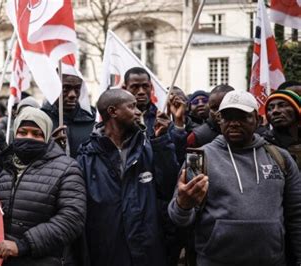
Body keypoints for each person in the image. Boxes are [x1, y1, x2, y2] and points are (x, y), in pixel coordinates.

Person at [168, 90, 301, 265]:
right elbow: (179, 218)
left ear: (258, 119)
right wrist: (182, 205)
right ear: (219, 120)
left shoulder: (280, 157)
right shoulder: (198, 159)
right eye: (227, 117)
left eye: (242, 117)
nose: (234, 123)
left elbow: (297, 214)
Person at [77, 89, 179, 265]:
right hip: (106, 254)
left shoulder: (148, 147)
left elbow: (169, 186)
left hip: (148, 252)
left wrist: (161, 141)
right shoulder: (86, 158)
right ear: (113, 111)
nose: (139, 112)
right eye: (132, 107)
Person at [0, 106, 86, 265]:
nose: (29, 137)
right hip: (2, 259)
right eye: (23, 132)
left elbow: (72, 218)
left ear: (47, 136)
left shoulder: (67, 168)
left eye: (37, 134)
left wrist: (23, 245)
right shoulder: (4, 165)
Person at [122, 67, 187, 164]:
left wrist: (178, 122)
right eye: (135, 87)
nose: (141, 92)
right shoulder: (118, 119)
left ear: (151, 87)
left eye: (145, 86)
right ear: (125, 88)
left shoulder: (161, 117)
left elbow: (177, 155)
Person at [41, 73, 96, 158]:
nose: (72, 95)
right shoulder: (41, 120)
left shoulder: (92, 123)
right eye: (65, 88)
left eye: (77, 88)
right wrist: (50, 147)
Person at [264, 90, 300, 169]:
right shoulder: (263, 146)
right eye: (270, 108)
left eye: (282, 105)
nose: (275, 111)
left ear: (297, 111)